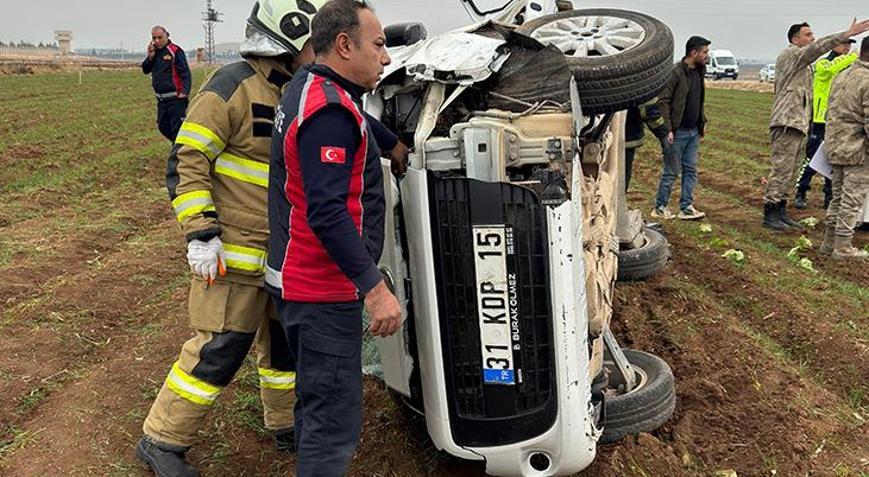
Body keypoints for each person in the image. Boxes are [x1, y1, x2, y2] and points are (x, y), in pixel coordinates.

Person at [135, 3, 330, 476]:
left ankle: (284, 424)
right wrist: (201, 233)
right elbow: (187, 160)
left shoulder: (299, 92)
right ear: (284, 41)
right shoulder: (232, 86)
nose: (318, 54)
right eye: (313, 44)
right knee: (218, 349)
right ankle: (162, 439)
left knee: (283, 347)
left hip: (282, 254)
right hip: (232, 255)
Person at [267, 0, 402, 474]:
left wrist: (390, 142)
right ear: (344, 45)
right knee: (332, 426)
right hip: (322, 291)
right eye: (379, 44)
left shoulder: (306, 86)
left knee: (314, 401)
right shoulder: (328, 110)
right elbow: (327, 211)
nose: (386, 57)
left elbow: (356, 121)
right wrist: (375, 287)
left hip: (297, 283)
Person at [762, 19, 869, 231]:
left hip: (797, 123)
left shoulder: (804, 65)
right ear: (795, 39)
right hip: (786, 122)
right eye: (808, 35)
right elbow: (816, 49)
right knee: (781, 169)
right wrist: (846, 33)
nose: (813, 38)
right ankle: (770, 212)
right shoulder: (791, 54)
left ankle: (781, 210)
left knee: (790, 171)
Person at [819, 36, 869, 260]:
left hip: (836, 146)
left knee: (837, 197)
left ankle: (829, 244)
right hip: (858, 149)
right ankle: (843, 247)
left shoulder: (843, 75)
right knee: (852, 200)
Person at [794, 39, 857, 210]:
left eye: (849, 45)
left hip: (839, 119)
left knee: (834, 159)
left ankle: (830, 196)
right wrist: (854, 56)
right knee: (812, 157)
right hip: (821, 120)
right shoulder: (823, 64)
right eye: (844, 44)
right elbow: (832, 68)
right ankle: (801, 191)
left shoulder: (850, 68)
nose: (847, 47)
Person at [652, 36, 710, 221]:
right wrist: (667, 129)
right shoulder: (676, 73)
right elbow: (663, 101)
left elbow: (698, 99)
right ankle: (660, 207)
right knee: (671, 171)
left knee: (691, 170)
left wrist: (702, 122)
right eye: (705, 52)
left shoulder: (700, 71)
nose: (707, 56)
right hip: (677, 133)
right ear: (694, 53)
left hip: (693, 131)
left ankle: (686, 207)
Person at [142, 26, 191, 142]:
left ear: (167, 36)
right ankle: (181, 146)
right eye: (154, 38)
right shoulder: (154, 52)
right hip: (162, 100)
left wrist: (185, 91)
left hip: (176, 99)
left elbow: (185, 73)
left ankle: (177, 156)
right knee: (162, 127)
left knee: (177, 130)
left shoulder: (175, 51)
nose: (157, 41)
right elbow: (145, 70)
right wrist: (150, 57)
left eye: (160, 37)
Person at [624, 96, 669, 192]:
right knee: (620, 181)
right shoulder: (634, 82)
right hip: (625, 138)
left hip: (593, 134)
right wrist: (663, 134)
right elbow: (649, 109)